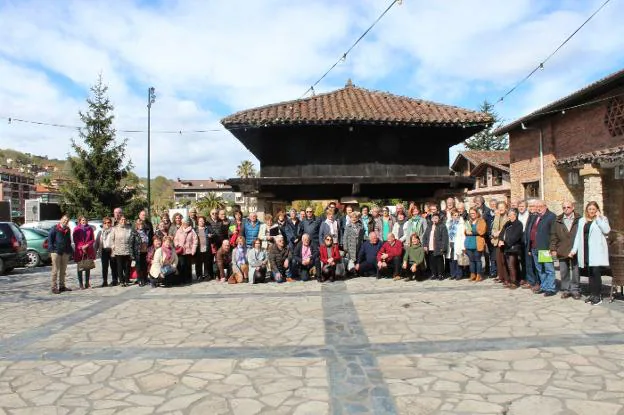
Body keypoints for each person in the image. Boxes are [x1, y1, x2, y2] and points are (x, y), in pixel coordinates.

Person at [570, 201, 611, 306]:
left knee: (596, 273)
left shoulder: (602, 219)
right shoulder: (582, 220)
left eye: (594, 209)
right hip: (585, 250)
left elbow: (606, 230)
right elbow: (578, 237)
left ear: (597, 210)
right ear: (586, 210)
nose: (591, 211)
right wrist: (574, 250)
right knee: (590, 274)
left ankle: (598, 296)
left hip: (596, 251)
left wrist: (598, 218)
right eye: (590, 209)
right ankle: (592, 294)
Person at [550, 201, 581, 299]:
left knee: (576, 271)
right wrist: (553, 248)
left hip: (575, 249)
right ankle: (566, 290)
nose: (566, 209)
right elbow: (553, 235)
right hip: (562, 249)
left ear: (573, 207)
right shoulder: (557, 220)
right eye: (564, 207)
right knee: (564, 271)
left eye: (568, 207)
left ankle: (575, 290)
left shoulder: (579, 219)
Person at [527, 200, 557, 296]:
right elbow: (530, 232)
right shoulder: (535, 216)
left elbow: (553, 234)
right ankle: (544, 286)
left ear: (545, 206)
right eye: (536, 206)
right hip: (534, 248)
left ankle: (551, 288)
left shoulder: (551, 216)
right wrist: (529, 248)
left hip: (544, 248)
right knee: (540, 269)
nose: (538, 208)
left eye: (540, 206)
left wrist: (552, 248)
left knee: (548, 269)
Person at [48, 215, 74, 294]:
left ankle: (62, 286)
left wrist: (70, 250)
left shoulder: (67, 229)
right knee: (55, 270)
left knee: (63, 270)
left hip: (65, 252)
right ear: (61, 219)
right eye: (64, 220)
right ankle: (53, 287)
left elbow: (69, 241)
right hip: (56, 252)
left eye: (67, 220)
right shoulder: (54, 228)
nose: (65, 221)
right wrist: (52, 250)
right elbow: (50, 239)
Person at [499, 208, 523, 289]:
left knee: (511, 265)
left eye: (510, 215)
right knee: (508, 265)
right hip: (507, 247)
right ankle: (511, 280)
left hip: (514, 248)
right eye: (508, 215)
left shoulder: (519, 224)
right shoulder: (507, 223)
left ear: (515, 215)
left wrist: (505, 242)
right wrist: (501, 240)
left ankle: (514, 282)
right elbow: (502, 233)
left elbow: (516, 237)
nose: (509, 217)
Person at [423, 213, 449, 280]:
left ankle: (440, 274)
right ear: (431, 219)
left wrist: (443, 247)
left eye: (436, 218)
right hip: (430, 246)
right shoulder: (429, 226)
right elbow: (425, 236)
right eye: (433, 218)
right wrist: (425, 245)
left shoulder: (442, 226)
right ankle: (434, 274)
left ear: (439, 219)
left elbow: (445, 238)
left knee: (439, 261)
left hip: (438, 247)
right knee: (432, 261)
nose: (435, 219)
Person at [111, 216, 135, 287]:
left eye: (124, 219)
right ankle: (121, 281)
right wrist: (113, 247)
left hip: (128, 250)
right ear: (119, 221)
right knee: (120, 266)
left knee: (127, 266)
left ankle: (126, 280)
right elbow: (112, 239)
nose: (123, 221)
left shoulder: (129, 229)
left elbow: (132, 239)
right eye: (122, 220)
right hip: (118, 250)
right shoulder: (115, 229)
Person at [464, 208, 487, 282]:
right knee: (471, 260)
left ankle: (479, 275)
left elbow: (482, 231)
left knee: (477, 260)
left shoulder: (481, 221)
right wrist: (466, 231)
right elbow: (466, 232)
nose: (472, 215)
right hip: (469, 243)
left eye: (473, 213)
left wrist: (472, 232)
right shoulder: (469, 222)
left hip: (477, 243)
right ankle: (472, 274)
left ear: (477, 213)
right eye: (470, 213)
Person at [174, 218, 199, 284]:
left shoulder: (192, 231)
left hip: (189, 251)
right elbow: (176, 239)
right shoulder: (179, 230)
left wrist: (193, 250)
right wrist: (177, 245)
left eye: (186, 223)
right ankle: (181, 279)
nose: (184, 224)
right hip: (181, 251)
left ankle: (188, 279)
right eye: (183, 223)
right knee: (181, 265)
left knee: (188, 266)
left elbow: (195, 241)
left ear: (188, 223)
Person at [521, 199, 539, 289]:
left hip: (535, 245)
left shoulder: (538, 216)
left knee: (536, 265)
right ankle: (531, 281)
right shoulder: (530, 216)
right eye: (530, 206)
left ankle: (537, 282)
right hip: (527, 244)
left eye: (533, 206)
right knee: (529, 264)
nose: (531, 208)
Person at [490, 201, 509, 284]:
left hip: (505, 241)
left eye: (502, 207)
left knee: (504, 260)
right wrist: (494, 232)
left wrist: (499, 232)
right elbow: (494, 227)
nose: (501, 209)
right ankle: (500, 276)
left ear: (506, 208)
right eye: (499, 207)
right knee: (498, 259)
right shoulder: (497, 216)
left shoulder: (508, 216)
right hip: (497, 240)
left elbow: (506, 227)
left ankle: (506, 277)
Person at [446, 209, 466, 280]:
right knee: (451, 260)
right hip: (451, 243)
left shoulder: (461, 224)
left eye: (457, 215)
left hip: (458, 243)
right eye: (454, 215)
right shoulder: (449, 223)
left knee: (458, 259)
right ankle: (452, 274)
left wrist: (463, 246)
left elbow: (463, 236)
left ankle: (459, 274)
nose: (456, 216)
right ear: (452, 216)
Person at [95, 216, 114, 287]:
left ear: (111, 223)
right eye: (105, 223)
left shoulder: (113, 231)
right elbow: (96, 243)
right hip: (103, 250)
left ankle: (114, 280)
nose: (107, 224)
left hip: (111, 250)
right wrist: (94, 252)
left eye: (108, 222)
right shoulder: (100, 232)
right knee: (104, 267)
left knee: (113, 266)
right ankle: (105, 281)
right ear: (103, 224)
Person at [134, 219, 150, 286]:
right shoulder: (134, 232)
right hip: (138, 252)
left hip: (145, 251)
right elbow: (131, 243)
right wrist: (132, 254)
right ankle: (140, 280)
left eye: (141, 224)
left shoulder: (145, 232)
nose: (140, 225)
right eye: (139, 224)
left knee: (144, 266)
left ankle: (145, 279)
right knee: (139, 267)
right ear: (136, 225)